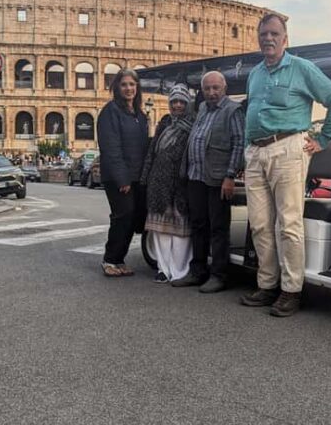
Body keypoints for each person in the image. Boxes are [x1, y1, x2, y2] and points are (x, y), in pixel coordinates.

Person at [240, 14, 331, 316]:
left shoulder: (302, 68)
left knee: (288, 224)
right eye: (264, 33)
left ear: (285, 39)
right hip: (256, 150)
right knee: (260, 224)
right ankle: (266, 284)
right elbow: (252, 111)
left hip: (287, 147)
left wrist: (323, 139)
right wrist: (247, 150)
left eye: (274, 34)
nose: (268, 38)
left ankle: (291, 290)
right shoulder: (255, 73)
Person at [173, 71, 245, 293]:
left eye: (216, 88)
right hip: (196, 176)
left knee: (218, 228)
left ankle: (219, 275)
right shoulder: (203, 108)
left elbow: (239, 143)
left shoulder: (233, 110)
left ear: (224, 88)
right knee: (198, 225)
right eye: (207, 88)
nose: (211, 92)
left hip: (218, 178)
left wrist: (230, 176)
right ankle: (198, 271)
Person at [97, 68, 150, 277]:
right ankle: (110, 259)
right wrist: (122, 179)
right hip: (119, 177)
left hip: (136, 176)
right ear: (117, 88)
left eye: (132, 84)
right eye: (124, 84)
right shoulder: (110, 111)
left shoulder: (139, 115)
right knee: (123, 216)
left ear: (137, 87)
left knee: (133, 217)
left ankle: (119, 259)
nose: (129, 88)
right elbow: (111, 148)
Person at [140, 84, 195, 283]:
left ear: (187, 104)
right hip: (159, 182)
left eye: (182, 102)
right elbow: (152, 151)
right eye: (174, 102)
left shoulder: (194, 124)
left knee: (181, 232)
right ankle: (163, 269)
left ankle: (179, 271)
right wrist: (145, 178)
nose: (177, 105)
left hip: (181, 184)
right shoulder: (164, 122)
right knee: (160, 229)